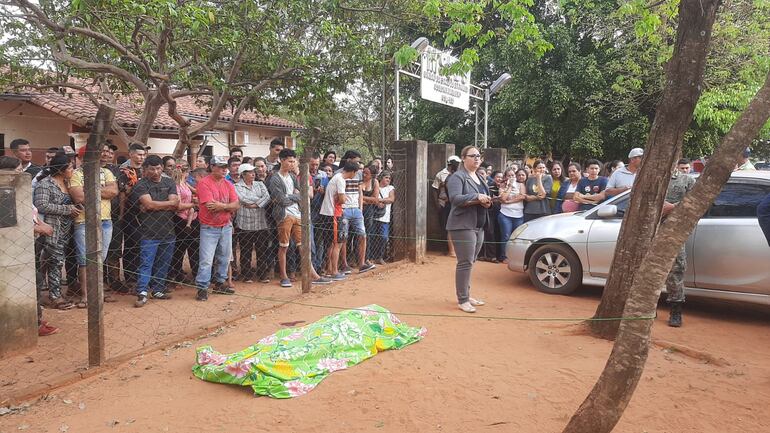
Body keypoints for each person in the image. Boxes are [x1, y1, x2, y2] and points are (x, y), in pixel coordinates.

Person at [1, 157, 58, 334]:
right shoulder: (5, 193)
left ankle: (32, 318)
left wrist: (40, 224)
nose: (22, 173)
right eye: (18, 170)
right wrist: (39, 228)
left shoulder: (19, 189)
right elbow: (8, 224)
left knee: (34, 279)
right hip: (12, 248)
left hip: (26, 245)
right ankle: (32, 322)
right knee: (31, 281)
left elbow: (31, 214)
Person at [267, 149, 330, 287]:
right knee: (284, 246)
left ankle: (313, 275)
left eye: (293, 161)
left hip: (297, 214)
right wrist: (295, 196)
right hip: (284, 215)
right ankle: (284, 276)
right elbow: (281, 200)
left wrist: (291, 196)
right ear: (281, 160)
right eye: (290, 161)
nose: (292, 163)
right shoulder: (275, 178)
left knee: (303, 246)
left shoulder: (293, 177)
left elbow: (302, 195)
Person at [69, 145, 118, 307]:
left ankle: (98, 293)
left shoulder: (107, 172)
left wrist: (89, 189)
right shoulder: (76, 174)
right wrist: (102, 190)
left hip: (105, 220)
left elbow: (113, 192)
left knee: (100, 258)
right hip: (84, 221)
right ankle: (86, 295)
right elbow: (79, 197)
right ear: (83, 159)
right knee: (85, 260)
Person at [446, 145, 491, 313]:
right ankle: (463, 300)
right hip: (462, 225)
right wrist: (476, 196)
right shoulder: (458, 177)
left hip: (479, 225)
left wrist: (487, 201)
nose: (477, 158)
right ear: (463, 158)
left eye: (479, 156)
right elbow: (455, 199)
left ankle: (466, 294)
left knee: (471, 262)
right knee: (465, 262)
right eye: (473, 156)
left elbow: (483, 199)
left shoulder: (479, 177)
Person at [33, 154, 80, 310]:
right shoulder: (45, 184)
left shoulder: (67, 183)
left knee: (57, 262)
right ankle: (55, 296)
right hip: (51, 229)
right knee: (55, 261)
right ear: (61, 169)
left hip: (66, 229)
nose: (73, 170)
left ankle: (55, 293)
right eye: (70, 167)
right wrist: (67, 209)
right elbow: (41, 205)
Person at [131, 155, 179, 307]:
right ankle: (142, 291)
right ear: (145, 169)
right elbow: (149, 204)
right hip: (149, 232)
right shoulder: (141, 185)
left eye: (158, 168)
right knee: (146, 263)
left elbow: (175, 203)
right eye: (152, 169)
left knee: (164, 262)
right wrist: (167, 204)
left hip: (168, 230)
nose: (156, 172)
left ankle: (158, 289)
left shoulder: (169, 182)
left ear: (162, 168)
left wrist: (155, 205)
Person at [195, 155, 240, 301]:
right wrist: (228, 207)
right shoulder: (204, 183)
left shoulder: (228, 184)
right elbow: (210, 206)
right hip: (209, 226)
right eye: (221, 167)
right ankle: (202, 287)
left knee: (225, 257)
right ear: (212, 167)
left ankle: (219, 283)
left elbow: (236, 205)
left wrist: (222, 206)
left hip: (225, 225)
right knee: (206, 259)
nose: (224, 170)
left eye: (225, 167)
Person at [661, 161, 695, 327]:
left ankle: (676, 310)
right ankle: (647, 306)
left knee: (676, 268)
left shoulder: (686, 180)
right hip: (648, 229)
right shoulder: (650, 177)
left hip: (673, 231)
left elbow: (696, 202)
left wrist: (673, 207)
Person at [322, 161, 360, 280]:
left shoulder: (337, 177)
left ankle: (330, 269)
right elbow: (343, 199)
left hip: (330, 212)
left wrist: (340, 198)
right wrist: (341, 198)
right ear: (353, 172)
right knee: (337, 243)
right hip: (334, 213)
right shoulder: (341, 180)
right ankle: (334, 271)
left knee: (332, 243)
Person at [234, 162, 272, 283]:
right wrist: (259, 201)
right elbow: (243, 199)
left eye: (253, 172)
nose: (253, 174)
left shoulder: (260, 184)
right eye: (250, 172)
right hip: (244, 223)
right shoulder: (237, 186)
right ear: (243, 174)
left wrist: (255, 205)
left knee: (262, 249)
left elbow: (267, 197)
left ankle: (262, 274)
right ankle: (247, 275)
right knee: (246, 250)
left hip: (261, 222)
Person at [116, 143, 147, 288]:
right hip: (130, 213)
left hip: (146, 214)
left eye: (143, 155)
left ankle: (142, 276)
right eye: (139, 154)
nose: (141, 157)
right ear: (131, 154)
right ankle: (130, 277)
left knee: (144, 245)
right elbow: (122, 194)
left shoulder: (146, 171)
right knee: (131, 245)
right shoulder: (124, 171)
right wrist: (122, 214)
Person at [168, 164, 199, 285]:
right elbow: (178, 205)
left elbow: (195, 192)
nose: (188, 174)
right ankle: (176, 274)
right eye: (187, 172)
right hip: (180, 218)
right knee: (180, 248)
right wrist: (193, 205)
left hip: (191, 217)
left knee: (193, 247)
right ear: (183, 172)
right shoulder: (176, 186)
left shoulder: (185, 184)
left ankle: (195, 273)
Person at [433, 156, 461, 257]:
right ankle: (445, 248)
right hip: (444, 203)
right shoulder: (441, 174)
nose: (458, 165)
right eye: (456, 163)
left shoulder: (459, 174)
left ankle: (454, 249)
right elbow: (435, 189)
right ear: (451, 163)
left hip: (455, 203)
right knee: (444, 226)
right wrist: (437, 204)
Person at [497, 168, 526, 263]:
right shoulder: (502, 186)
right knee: (506, 236)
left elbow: (522, 196)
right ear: (505, 177)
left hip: (518, 215)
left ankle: (515, 257)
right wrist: (509, 186)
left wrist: (509, 201)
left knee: (516, 237)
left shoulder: (520, 185)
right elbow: (503, 198)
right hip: (505, 214)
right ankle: (504, 256)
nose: (511, 177)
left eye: (513, 175)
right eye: (509, 175)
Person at [371, 171, 395, 265]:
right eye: (386, 177)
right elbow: (372, 198)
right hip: (374, 216)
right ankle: (371, 257)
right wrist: (377, 202)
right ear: (381, 178)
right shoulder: (375, 187)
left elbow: (391, 199)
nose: (388, 180)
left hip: (384, 218)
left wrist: (380, 200)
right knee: (372, 237)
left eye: (389, 178)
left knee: (384, 237)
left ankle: (380, 257)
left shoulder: (390, 188)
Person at [361, 165, 381, 262]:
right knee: (355, 234)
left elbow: (375, 199)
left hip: (368, 210)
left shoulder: (374, 182)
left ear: (372, 175)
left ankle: (366, 258)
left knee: (367, 233)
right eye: (363, 172)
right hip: (358, 209)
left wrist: (361, 198)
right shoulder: (359, 180)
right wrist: (368, 200)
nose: (364, 175)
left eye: (367, 173)